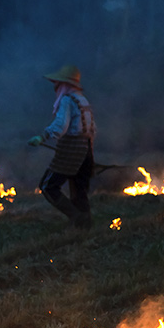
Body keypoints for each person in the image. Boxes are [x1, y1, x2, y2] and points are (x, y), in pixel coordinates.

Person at [28, 64, 96, 229]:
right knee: (79, 189)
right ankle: (84, 227)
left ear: (64, 84)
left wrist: (42, 136)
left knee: (48, 186)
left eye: (57, 83)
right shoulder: (83, 100)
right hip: (86, 150)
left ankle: (76, 217)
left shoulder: (67, 100)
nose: (55, 86)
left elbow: (61, 125)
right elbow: (92, 129)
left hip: (71, 150)